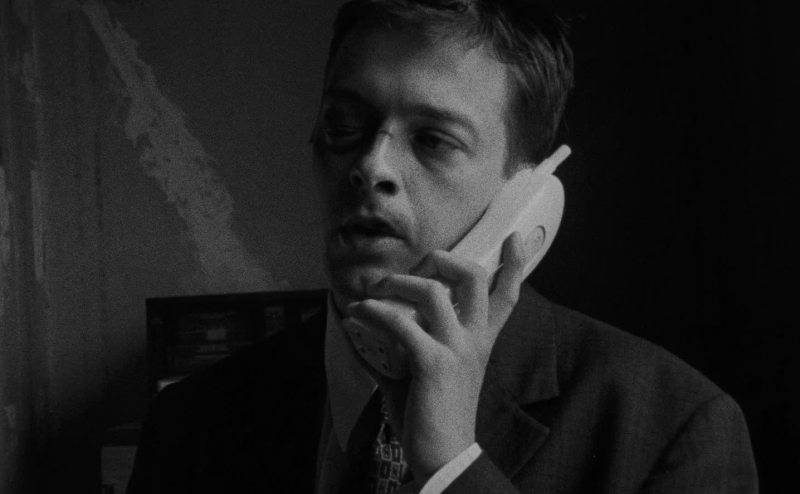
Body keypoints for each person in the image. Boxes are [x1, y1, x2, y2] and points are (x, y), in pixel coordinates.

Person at [126, 1, 758, 493]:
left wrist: (453, 468)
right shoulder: (190, 424)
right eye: (344, 126)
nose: (371, 166)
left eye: (433, 139)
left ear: (526, 196)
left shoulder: (673, 426)